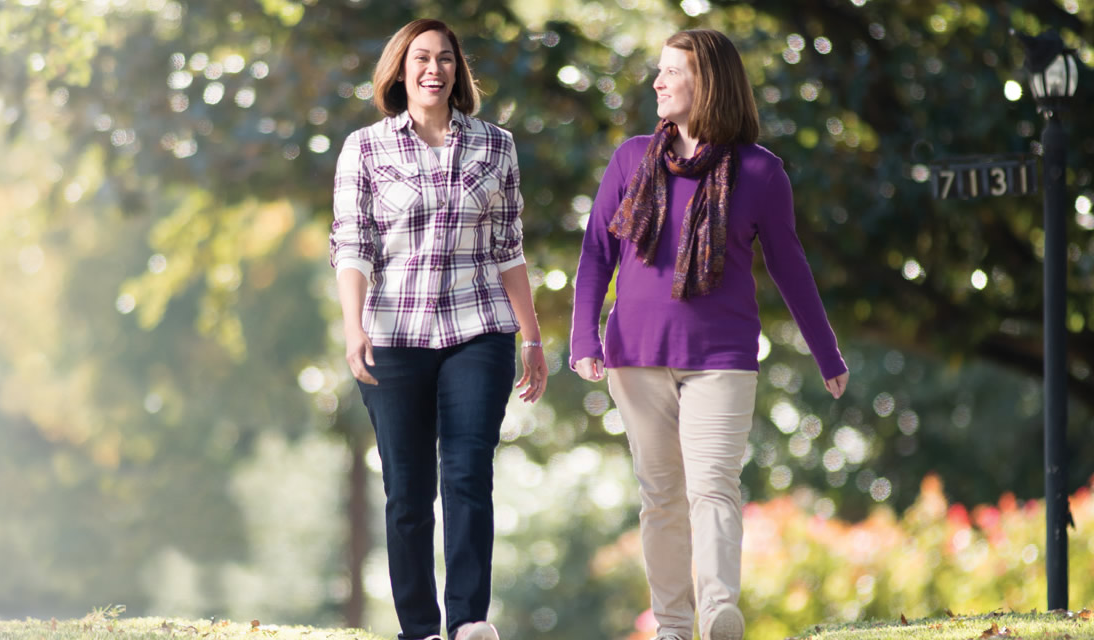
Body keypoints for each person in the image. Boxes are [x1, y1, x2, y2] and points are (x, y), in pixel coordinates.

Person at [568, 29, 850, 640]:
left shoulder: (760, 172)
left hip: (721, 358)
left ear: (708, 83)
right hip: (634, 360)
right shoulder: (630, 159)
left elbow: (789, 265)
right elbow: (596, 254)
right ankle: (672, 626)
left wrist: (826, 350)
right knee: (661, 497)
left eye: (672, 72)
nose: (658, 82)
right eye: (660, 71)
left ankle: (719, 612)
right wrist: (583, 339)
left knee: (714, 486)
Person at [329, 17, 547, 640]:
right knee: (407, 491)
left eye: (445, 58)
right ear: (400, 70)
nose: (433, 69)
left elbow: (509, 248)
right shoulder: (365, 148)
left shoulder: (495, 146)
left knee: (468, 474)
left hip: (478, 329)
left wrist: (531, 338)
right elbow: (352, 246)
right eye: (420, 58)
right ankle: (419, 628)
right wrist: (354, 328)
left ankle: (469, 623)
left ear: (459, 70)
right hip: (393, 335)